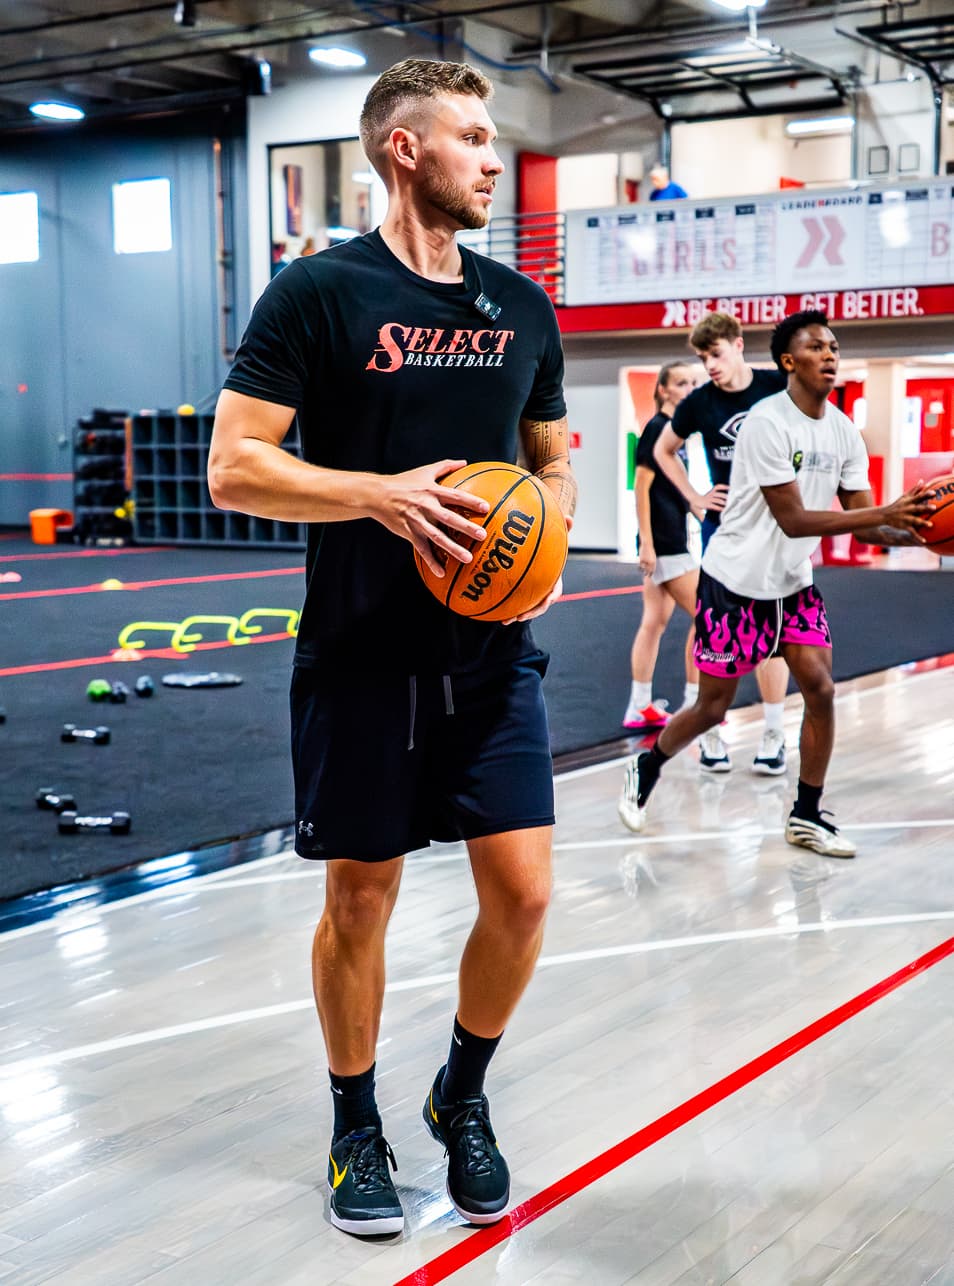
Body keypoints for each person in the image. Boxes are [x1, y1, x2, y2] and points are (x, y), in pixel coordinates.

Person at [208, 58, 576, 1238]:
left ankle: (458, 1092)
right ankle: (353, 1121)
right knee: (361, 897)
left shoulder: (521, 306)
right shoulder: (318, 294)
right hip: (362, 650)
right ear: (404, 149)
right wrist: (379, 496)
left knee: (521, 895)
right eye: (471, 137)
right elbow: (234, 465)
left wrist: (545, 534)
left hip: (492, 652)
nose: (491, 158)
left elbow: (554, 454)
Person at [619, 310, 934, 856]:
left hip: (792, 582)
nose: (830, 354)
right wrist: (888, 511)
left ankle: (806, 814)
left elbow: (869, 520)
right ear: (789, 361)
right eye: (816, 347)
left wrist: (923, 532)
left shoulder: (843, 433)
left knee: (820, 687)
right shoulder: (766, 421)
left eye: (834, 346)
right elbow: (794, 518)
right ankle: (648, 764)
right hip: (734, 580)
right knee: (713, 707)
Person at [654, 311, 790, 774]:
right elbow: (661, 451)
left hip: (776, 529)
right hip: (724, 533)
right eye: (701, 357)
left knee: (776, 638)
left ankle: (774, 734)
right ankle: (711, 733)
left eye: (714, 354)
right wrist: (694, 497)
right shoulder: (699, 403)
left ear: (737, 343)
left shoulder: (777, 386)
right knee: (715, 635)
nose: (709, 365)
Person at [623, 361, 701, 731]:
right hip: (666, 544)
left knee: (653, 622)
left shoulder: (677, 432)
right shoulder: (657, 429)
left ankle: (638, 706)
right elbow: (641, 487)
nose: (689, 389)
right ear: (663, 390)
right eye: (681, 383)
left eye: (693, 383)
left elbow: (675, 492)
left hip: (672, 538)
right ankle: (692, 704)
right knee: (709, 617)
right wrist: (648, 544)